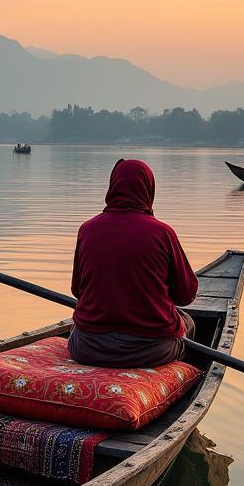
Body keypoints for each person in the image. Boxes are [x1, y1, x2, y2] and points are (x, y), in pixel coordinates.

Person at [68, 158, 197, 368]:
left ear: (112, 187)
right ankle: (183, 375)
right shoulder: (163, 233)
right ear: (149, 189)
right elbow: (186, 295)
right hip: (151, 352)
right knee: (188, 322)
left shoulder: (87, 230)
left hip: (86, 349)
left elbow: (77, 291)